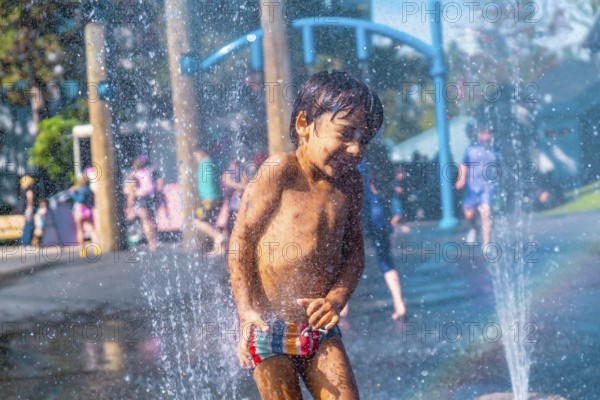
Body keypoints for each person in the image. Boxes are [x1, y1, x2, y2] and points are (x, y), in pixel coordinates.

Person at [228, 70, 383, 399]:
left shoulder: (350, 185)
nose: (356, 149)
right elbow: (241, 241)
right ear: (303, 125)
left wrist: (336, 300)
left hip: (319, 328)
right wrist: (245, 311)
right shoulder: (280, 171)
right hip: (268, 327)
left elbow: (355, 253)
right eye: (345, 134)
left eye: (364, 140)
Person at [455, 127, 500, 245]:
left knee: (486, 214)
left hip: (488, 187)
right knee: (469, 214)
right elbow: (464, 165)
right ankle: (474, 228)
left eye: (488, 134)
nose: (485, 136)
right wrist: (461, 179)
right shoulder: (471, 150)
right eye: (483, 133)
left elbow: (500, 169)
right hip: (472, 187)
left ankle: (487, 244)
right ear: (479, 135)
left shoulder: (496, 150)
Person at [193, 146, 227, 247]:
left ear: (201, 152)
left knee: (196, 220)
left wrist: (209, 197)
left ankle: (218, 236)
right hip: (217, 198)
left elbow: (210, 181)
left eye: (196, 155)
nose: (196, 158)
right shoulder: (211, 163)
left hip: (210, 199)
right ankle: (219, 248)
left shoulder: (205, 164)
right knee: (211, 222)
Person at [125, 156, 158, 252]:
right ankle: (154, 242)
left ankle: (151, 243)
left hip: (142, 197)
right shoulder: (149, 172)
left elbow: (131, 191)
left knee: (145, 221)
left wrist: (129, 207)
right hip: (152, 197)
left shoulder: (134, 174)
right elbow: (157, 184)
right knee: (152, 220)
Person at [70, 175, 99, 257]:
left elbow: (80, 200)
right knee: (92, 230)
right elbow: (93, 202)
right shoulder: (90, 190)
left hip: (80, 211)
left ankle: (83, 250)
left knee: (80, 230)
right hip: (88, 211)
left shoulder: (81, 190)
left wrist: (73, 193)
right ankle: (96, 248)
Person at [18, 175, 36, 246]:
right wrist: (30, 210)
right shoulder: (29, 191)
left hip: (25, 211)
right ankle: (26, 243)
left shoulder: (23, 191)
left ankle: (23, 242)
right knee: (29, 226)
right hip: (29, 210)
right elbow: (30, 202)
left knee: (27, 226)